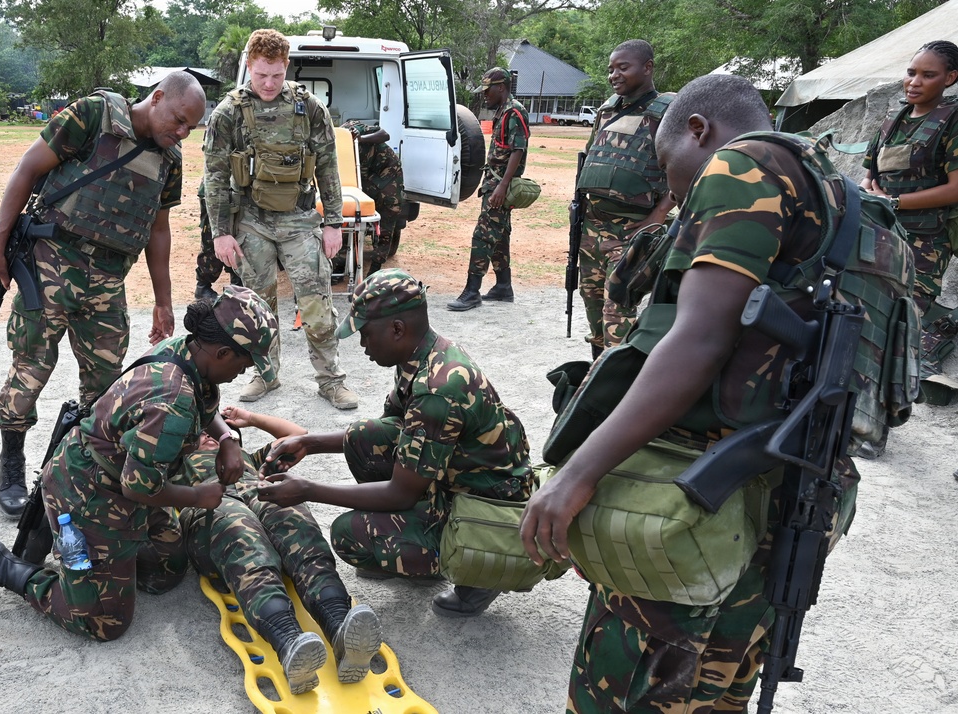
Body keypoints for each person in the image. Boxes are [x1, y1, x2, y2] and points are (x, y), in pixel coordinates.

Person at [519, 74, 912, 712]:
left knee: (631, 691)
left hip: (704, 489)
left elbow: (699, 338)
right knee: (717, 690)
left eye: (669, 166)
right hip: (797, 486)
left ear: (697, 130)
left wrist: (577, 474)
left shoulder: (744, 163)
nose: (674, 191)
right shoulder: (839, 189)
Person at [0, 286, 278, 642]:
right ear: (221, 352)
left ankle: (102, 565)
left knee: (165, 569)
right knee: (105, 622)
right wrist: (198, 496)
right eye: (245, 363)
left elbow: (204, 404)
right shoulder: (172, 402)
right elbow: (138, 488)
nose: (243, 372)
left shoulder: (184, 352)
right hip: (90, 494)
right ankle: (0, 565)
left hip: (123, 477)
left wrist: (228, 439)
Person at [0, 71, 206, 520]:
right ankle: (11, 465)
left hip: (107, 281)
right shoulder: (92, 114)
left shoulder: (170, 158)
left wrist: (163, 300)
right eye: (178, 120)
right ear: (157, 98)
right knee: (31, 369)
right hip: (48, 265)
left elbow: (158, 229)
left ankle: (75, 467)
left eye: (189, 129)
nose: (180, 133)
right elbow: (27, 168)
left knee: (105, 384)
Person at [257, 269, 535, 617]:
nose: (362, 345)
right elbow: (396, 429)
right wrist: (308, 443)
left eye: (366, 335)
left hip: (486, 509)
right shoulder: (420, 356)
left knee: (348, 534)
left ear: (397, 329)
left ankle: (476, 575)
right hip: (455, 481)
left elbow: (400, 493)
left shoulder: (438, 388)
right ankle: (413, 544)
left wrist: (307, 489)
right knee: (364, 437)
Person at [203, 28, 359, 409]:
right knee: (257, 305)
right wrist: (221, 234)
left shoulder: (309, 109)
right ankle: (265, 373)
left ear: (286, 66)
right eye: (260, 75)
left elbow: (328, 167)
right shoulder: (228, 113)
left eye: (276, 74)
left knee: (317, 302)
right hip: (251, 221)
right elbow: (216, 178)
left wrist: (333, 223)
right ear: (248, 66)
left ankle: (330, 379)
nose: (269, 83)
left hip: (300, 219)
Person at [179, 406, 381, 694]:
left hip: (257, 495)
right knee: (241, 534)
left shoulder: (246, 457)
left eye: (212, 430)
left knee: (294, 519)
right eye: (198, 434)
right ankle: (290, 644)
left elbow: (297, 436)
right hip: (213, 509)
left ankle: (340, 629)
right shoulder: (177, 463)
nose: (208, 436)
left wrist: (250, 419)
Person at [861, 40, 958, 377]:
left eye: (928, 75)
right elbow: (869, 175)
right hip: (883, 230)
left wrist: (896, 202)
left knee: (904, 319)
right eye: (911, 72)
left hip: (926, 239)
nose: (914, 82)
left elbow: (956, 188)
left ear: (950, 78)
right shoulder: (892, 121)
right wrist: (873, 195)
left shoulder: (952, 120)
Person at [576, 40, 674, 358]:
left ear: (647, 67)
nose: (614, 75)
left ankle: (618, 387)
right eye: (610, 69)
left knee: (617, 314)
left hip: (631, 232)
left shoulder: (666, 113)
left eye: (623, 67)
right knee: (591, 304)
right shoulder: (606, 111)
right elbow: (592, 158)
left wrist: (659, 213)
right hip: (591, 228)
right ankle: (595, 383)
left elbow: (686, 170)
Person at [447, 68, 530, 311]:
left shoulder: (514, 111)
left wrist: (502, 187)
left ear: (501, 87)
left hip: (500, 184)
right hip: (495, 181)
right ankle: (504, 286)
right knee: (500, 234)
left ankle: (471, 292)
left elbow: (518, 150)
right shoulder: (504, 111)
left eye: (487, 90)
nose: (485, 95)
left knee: (483, 236)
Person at [341, 120, 405, 277]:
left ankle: (376, 265)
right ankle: (342, 265)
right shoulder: (334, 145)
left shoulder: (354, 129)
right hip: (366, 179)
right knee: (351, 217)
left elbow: (385, 135)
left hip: (388, 173)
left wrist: (360, 139)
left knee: (388, 217)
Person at [194, 177, 242, 301]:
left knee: (241, 235)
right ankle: (202, 287)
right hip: (216, 189)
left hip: (241, 188)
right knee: (213, 237)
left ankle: (237, 283)